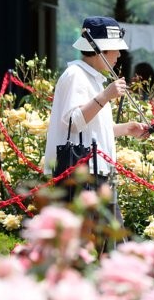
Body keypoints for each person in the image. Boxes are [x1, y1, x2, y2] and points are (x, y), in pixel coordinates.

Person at [43, 16, 148, 211]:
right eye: (114, 48)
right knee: (90, 238)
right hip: (82, 173)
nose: (118, 54)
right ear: (99, 50)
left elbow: (92, 129)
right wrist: (106, 95)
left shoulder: (93, 78)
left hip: (96, 171)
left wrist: (126, 129)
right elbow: (73, 122)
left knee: (106, 237)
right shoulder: (76, 75)